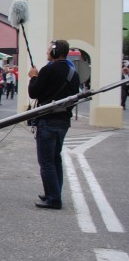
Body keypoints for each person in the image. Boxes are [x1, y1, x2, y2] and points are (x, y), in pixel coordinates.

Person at [28, 39, 81, 210]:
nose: (47, 52)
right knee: (55, 158)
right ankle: (54, 192)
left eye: (49, 49)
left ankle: (53, 199)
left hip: (48, 120)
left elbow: (33, 92)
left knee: (46, 162)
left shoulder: (47, 70)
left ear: (55, 52)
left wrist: (33, 77)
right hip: (63, 121)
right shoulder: (73, 73)